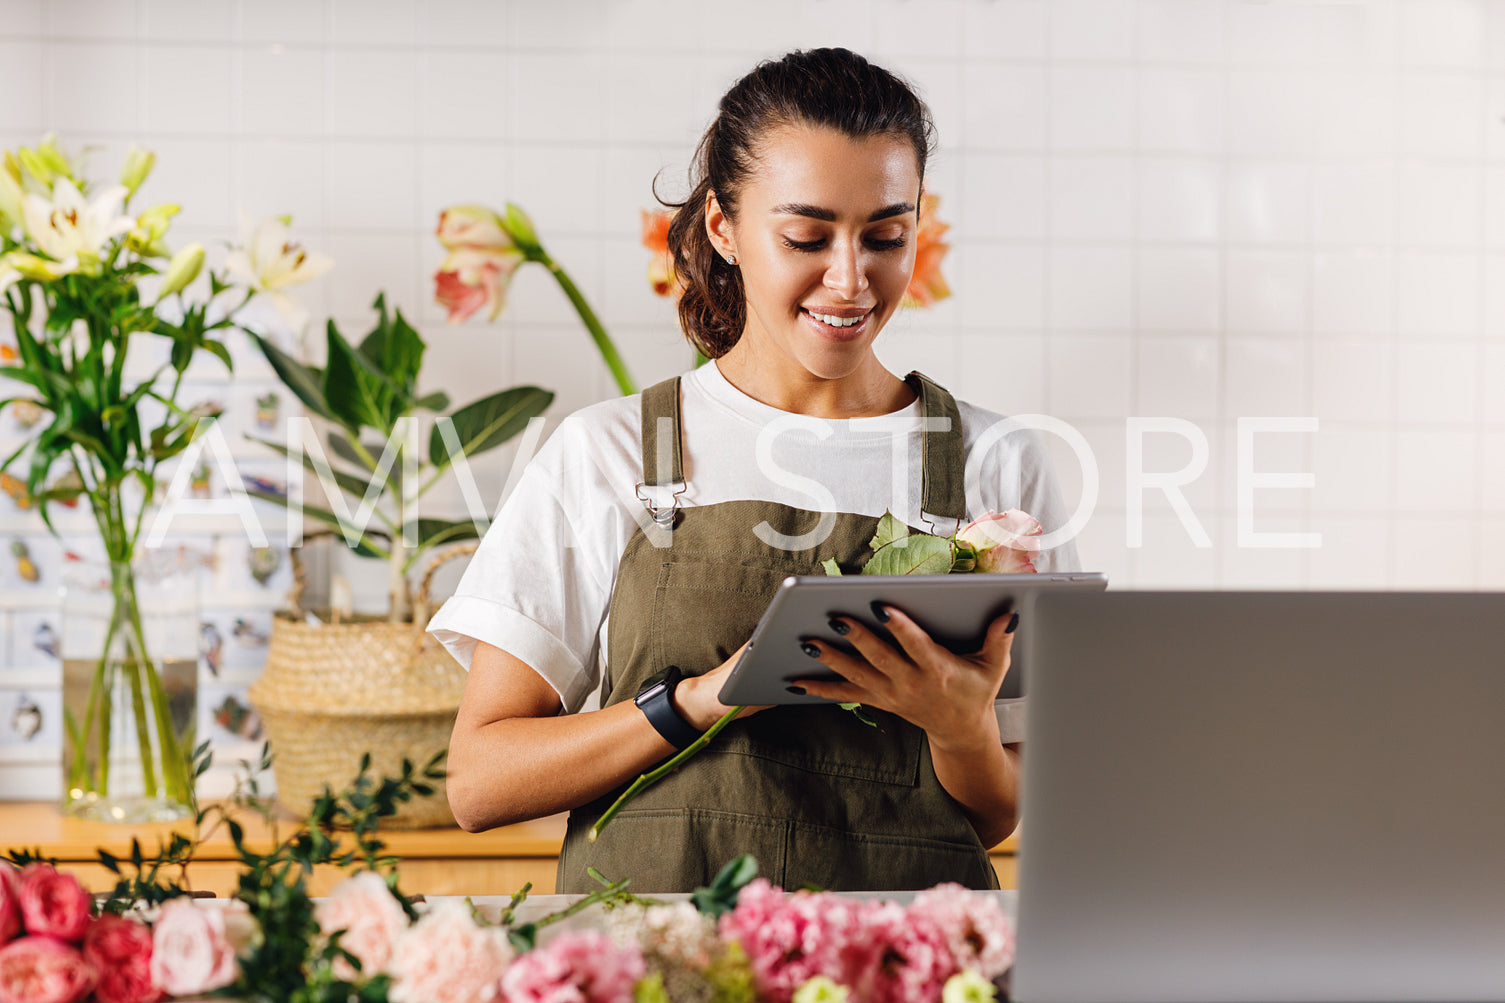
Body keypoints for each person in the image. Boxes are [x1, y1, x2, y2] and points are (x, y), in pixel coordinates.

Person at [429, 47, 1079, 894]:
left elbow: (993, 818)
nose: (849, 280)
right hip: (661, 966)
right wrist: (700, 700)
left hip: (896, 965)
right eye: (806, 236)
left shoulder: (998, 464)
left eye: (886, 235)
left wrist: (959, 727)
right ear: (722, 228)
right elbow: (479, 782)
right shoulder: (611, 452)